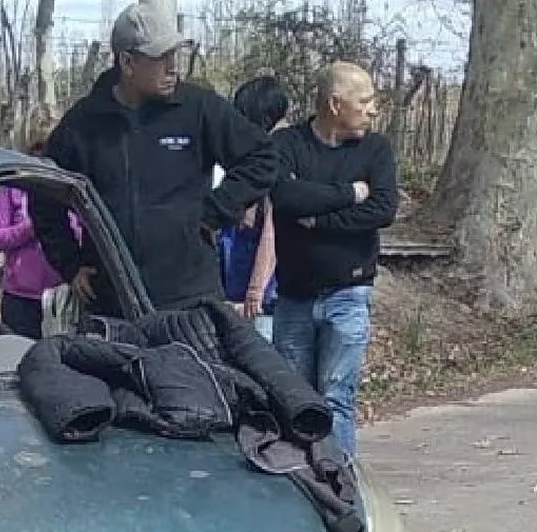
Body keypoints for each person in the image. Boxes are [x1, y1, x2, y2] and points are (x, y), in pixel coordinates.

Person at [29, 1, 280, 315]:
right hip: (112, 300)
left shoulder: (199, 108)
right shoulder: (84, 123)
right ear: (127, 62)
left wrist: (212, 212)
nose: (173, 66)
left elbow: (263, 157)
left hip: (190, 297)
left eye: (175, 55)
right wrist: (69, 263)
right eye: (162, 58)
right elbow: (44, 194)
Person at [267, 61, 399, 461]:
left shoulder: (376, 149)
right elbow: (285, 199)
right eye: (365, 101)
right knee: (293, 398)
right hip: (294, 298)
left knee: (337, 394)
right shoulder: (287, 145)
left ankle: (339, 483)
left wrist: (317, 218)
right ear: (335, 104)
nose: (373, 110)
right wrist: (350, 192)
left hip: (348, 293)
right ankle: (297, 482)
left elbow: (382, 208)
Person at [0, 119, 81, 339]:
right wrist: (28, 229)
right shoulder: (13, 188)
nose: (43, 158)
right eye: (37, 150)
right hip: (21, 299)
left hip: (64, 297)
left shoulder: (73, 189)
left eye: (49, 150)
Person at [215, 75, 289, 342]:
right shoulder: (246, 160)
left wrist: (255, 291)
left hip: (260, 303)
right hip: (237, 295)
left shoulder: (275, 162)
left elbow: (272, 230)